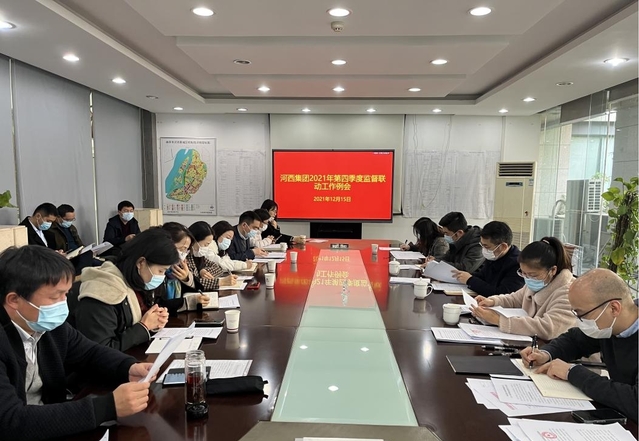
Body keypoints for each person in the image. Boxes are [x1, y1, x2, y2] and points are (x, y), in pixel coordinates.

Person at [0, 245, 154, 441]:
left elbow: (88, 353)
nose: (63, 304)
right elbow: (9, 421)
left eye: (65, 294)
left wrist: (127, 367)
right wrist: (107, 407)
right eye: (55, 297)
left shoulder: (48, 326)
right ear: (14, 299)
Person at [521, 268, 638, 421]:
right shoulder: (610, 325)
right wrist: (545, 354)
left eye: (582, 314)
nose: (579, 320)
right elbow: (575, 340)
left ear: (614, 308)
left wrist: (573, 372)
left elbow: (635, 402)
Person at [75, 229, 173, 351]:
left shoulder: (135, 282)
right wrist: (144, 327)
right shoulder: (102, 291)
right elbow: (100, 350)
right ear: (141, 262)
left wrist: (155, 321)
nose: (162, 277)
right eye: (161, 271)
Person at [471, 237, 575, 340]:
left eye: (533, 275)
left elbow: (548, 328)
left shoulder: (570, 293)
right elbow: (515, 299)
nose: (527, 278)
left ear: (552, 270)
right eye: (523, 273)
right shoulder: (539, 281)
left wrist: (499, 320)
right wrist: (493, 301)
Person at [452, 221, 524, 296]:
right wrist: (461, 276)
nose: (483, 249)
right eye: (482, 245)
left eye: (486, 246)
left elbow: (502, 294)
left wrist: (470, 280)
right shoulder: (495, 256)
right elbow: (483, 276)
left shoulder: (518, 264)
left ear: (503, 247)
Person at [155, 223, 209, 315]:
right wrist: (187, 302)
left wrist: (186, 278)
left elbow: (198, 290)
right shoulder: (155, 270)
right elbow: (156, 304)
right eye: (181, 249)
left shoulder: (177, 267)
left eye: (185, 250)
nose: (183, 254)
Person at [45, 204, 96, 275]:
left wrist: (84, 249)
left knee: (98, 260)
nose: (70, 222)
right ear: (58, 217)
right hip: (66, 257)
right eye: (67, 220)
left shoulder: (72, 228)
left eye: (72, 219)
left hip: (77, 254)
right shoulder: (50, 230)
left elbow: (79, 243)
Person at [187, 222, 238, 291]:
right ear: (193, 240)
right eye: (205, 244)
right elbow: (192, 283)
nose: (206, 248)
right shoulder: (185, 257)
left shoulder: (199, 256)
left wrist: (203, 271)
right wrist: (221, 282)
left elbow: (218, 268)